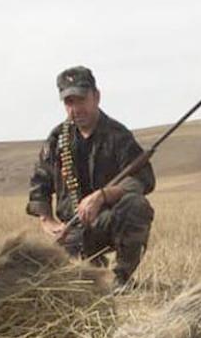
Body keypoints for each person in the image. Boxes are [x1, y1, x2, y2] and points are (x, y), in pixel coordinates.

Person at [27, 66, 155, 290]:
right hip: (70, 230)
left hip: (105, 222)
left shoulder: (118, 135)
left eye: (81, 99)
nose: (76, 109)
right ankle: (90, 268)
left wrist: (104, 196)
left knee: (137, 206)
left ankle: (120, 280)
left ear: (96, 96)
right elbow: (40, 183)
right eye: (69, 102)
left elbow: (143, 178)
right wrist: (48, 221)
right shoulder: (58, 139)